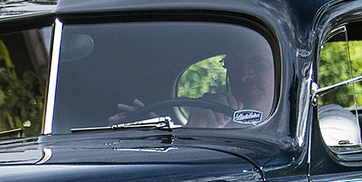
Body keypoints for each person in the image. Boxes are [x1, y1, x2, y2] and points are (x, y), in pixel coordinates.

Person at [110, 46, 277, 127]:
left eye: (260, 62)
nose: (243, 76)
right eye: (235, 63)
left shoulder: (296, 132)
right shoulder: (216, 121)